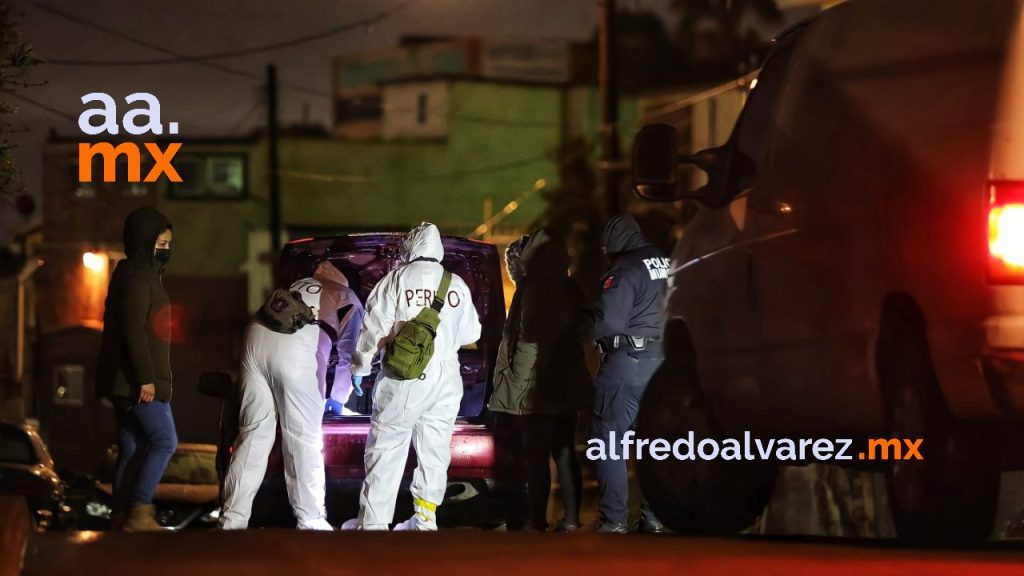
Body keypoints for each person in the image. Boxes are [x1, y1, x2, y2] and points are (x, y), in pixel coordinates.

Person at [343, 222, 481, 531]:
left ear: (411, 248)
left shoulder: (396, 280)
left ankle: (374, 524)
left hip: (404, 377)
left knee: (387, 448)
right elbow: (473, 332)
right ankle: (425, 520)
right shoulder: (455, 284)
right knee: (434, 450)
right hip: (446, 379)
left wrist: (360, 368)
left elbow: (374, 331)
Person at [219, 259, 359, 530]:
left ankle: (231, 521)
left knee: (253, 434)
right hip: (293, 353)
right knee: (303, 439)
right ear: (349, 280)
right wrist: (339, 398)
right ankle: (311, 521)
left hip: (254, 341)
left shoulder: (296, 284)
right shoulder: (347, 297)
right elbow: (348, 357)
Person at [489, 229, 589, 532]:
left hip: (536, 388)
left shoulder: (533, 290)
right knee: (564, 451)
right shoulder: (571, 288)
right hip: (567, 383)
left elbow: (527, 345)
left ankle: (536, 522)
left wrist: (515, 388)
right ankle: (571, 519)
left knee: (536, 458)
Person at [96, 206, 178, 532]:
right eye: (161, 242)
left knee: (131, 448)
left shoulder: (132, 275)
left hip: (122, 383)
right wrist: (146, 378)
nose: (166, 249)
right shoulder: (138, 278)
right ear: (144, 241)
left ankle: (121, 514)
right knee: (164, 441)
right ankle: (140, 511)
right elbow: (133, 329)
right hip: (137, 382)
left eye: (169, 243)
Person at [587, 214, 669, 534]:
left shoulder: (625, 269)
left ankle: (614, 521)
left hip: (628, 363)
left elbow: (608, 323)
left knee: (610, 442)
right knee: (656, 446)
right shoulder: (668, 263)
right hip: (664, 366)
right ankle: (655, 518)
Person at [315, 260, 364, 416]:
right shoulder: (347, 297)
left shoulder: (300, 285)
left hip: (265, 344)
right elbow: (349, 354)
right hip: (313, 350)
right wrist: (338, 398)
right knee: (310, 419)